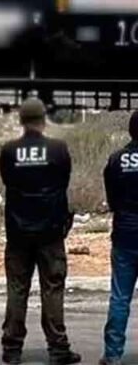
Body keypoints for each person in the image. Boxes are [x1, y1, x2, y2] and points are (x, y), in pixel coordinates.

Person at [0, 97, 81, 365]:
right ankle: (58, 348)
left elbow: (7, 180)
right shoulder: (58, 149)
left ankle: (12, 349)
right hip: (50, 231)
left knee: (17, 289)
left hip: (18, 232)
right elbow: (63, 181)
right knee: (53, 288)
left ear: (22, 121)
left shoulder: (9, 151)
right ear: (43, 120)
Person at [99, 111, 138, 365]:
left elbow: (112, 200)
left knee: (120, 297)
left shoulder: (116, 159)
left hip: (125, 233)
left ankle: (113, 354)